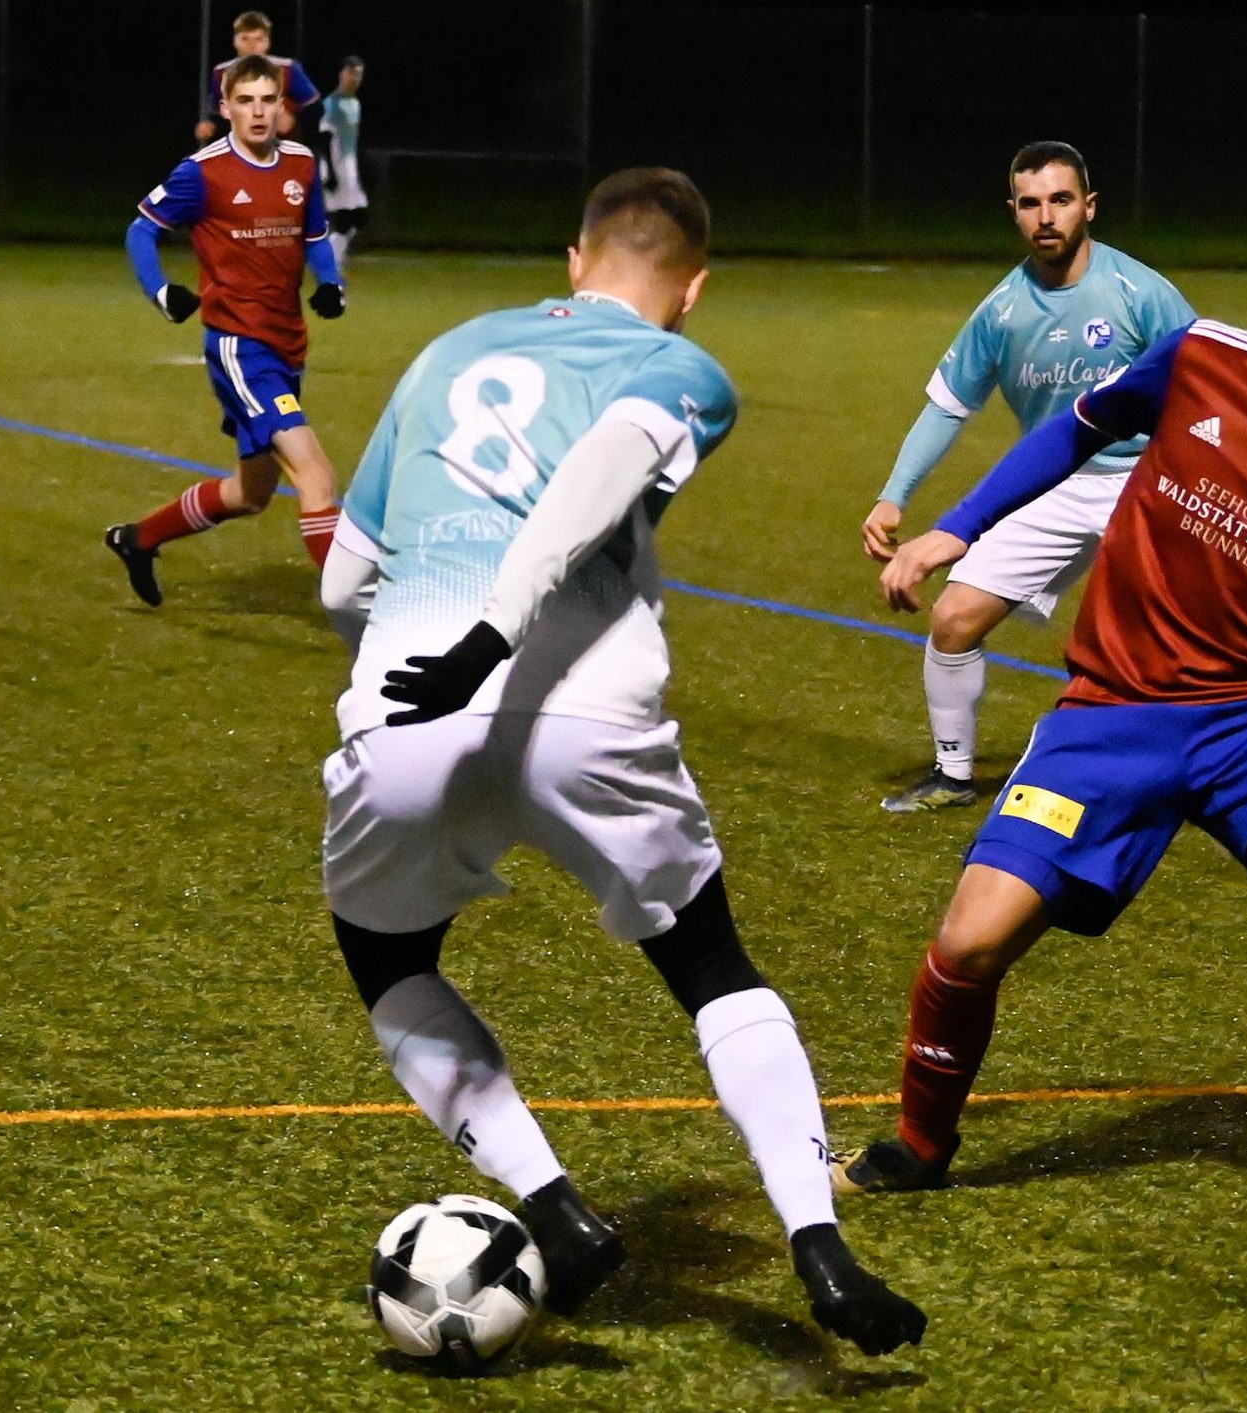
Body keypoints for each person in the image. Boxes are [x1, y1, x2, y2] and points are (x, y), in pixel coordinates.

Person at [315, 168, 928, 1354]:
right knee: (709, 966)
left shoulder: (444, 353)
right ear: (690, 291)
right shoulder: (679, 366)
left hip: (408, 705)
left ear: (572, 259)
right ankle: (818, 1244)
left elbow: (345, 580)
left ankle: (552, 1205)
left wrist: (417, 669)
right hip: (586, 713)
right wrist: (501, 628)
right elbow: (604, 460)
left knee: (385, 957)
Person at [835, 223, 1247, 1280]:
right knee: (968, 943)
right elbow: (1072, 432)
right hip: (1112, 711)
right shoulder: (1198, 356)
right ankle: (918, 1146)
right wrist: (958, 528)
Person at [862, 141, 1194, 812]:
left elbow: (1206, 389)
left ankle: (1199, 772)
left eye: (1060, 200)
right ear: (1013, 212)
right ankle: (953, 776)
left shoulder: (1142, 294)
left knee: (1170, 643)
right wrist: (893, 495)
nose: (1046, 216)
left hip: (1146, 481)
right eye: (1031, 203)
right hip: (1051, 485)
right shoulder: (1002, 311)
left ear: (1088, 207)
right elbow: (946, 406)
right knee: (954, 619)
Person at [107, 53, 346, 607]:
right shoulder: (203, 171)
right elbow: (141, 229)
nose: (258, 112)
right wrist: (162, 291)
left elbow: (314, 235)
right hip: (240, 347)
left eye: (267, 100)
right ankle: (359, 613)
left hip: (288, 341)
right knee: (316, 475)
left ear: (282, 106)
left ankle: (138, 540)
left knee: (251, 493)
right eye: (245, 101)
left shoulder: (301, 164)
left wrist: (331, 282)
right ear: (226, 107)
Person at [193, 10, 321, 146]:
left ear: (268, 42)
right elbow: (216, 112)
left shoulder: (288, 69)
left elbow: (315, 108)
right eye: (245, 39)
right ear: (235, 41)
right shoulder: (221, 72)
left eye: (258, 39)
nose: (252, 46)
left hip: (281, 145)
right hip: (238, 147)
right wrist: (208, 126)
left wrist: (293, 121)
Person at [318, 56, 369, 269]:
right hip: (336, 166)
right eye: (350, 72)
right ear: (341, 74)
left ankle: (333, 254)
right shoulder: (331, 104)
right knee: (347, 217)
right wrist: (330, 172)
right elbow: (324, 139)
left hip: (349, 167)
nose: (354, 78)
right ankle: (330, 259)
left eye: (358, 74)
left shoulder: (355, 103)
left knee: (358, 216)